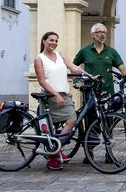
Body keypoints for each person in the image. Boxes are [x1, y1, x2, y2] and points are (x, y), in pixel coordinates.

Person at [34, 31, 92, 171]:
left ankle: (55, 148)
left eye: (56, 41)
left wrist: (90, 76)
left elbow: (74, 68)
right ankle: (53, 156)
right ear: (44, 41)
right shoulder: (39, 59)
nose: (54, 43)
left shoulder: (60, 55)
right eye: (51, 40)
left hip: (64, 94)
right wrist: (56, 95)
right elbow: (42, 81)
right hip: (50, 96)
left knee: (72, 120)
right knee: (49, 127)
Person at [73, 23, 126, 95]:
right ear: (92, 35)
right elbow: (73, 67)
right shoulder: (85, 51)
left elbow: (121, 67)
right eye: (99, 32)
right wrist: (77, 81)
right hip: (90, 92)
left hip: (108, 92)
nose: (102, 34)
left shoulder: (111, 51)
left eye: (104, 32)